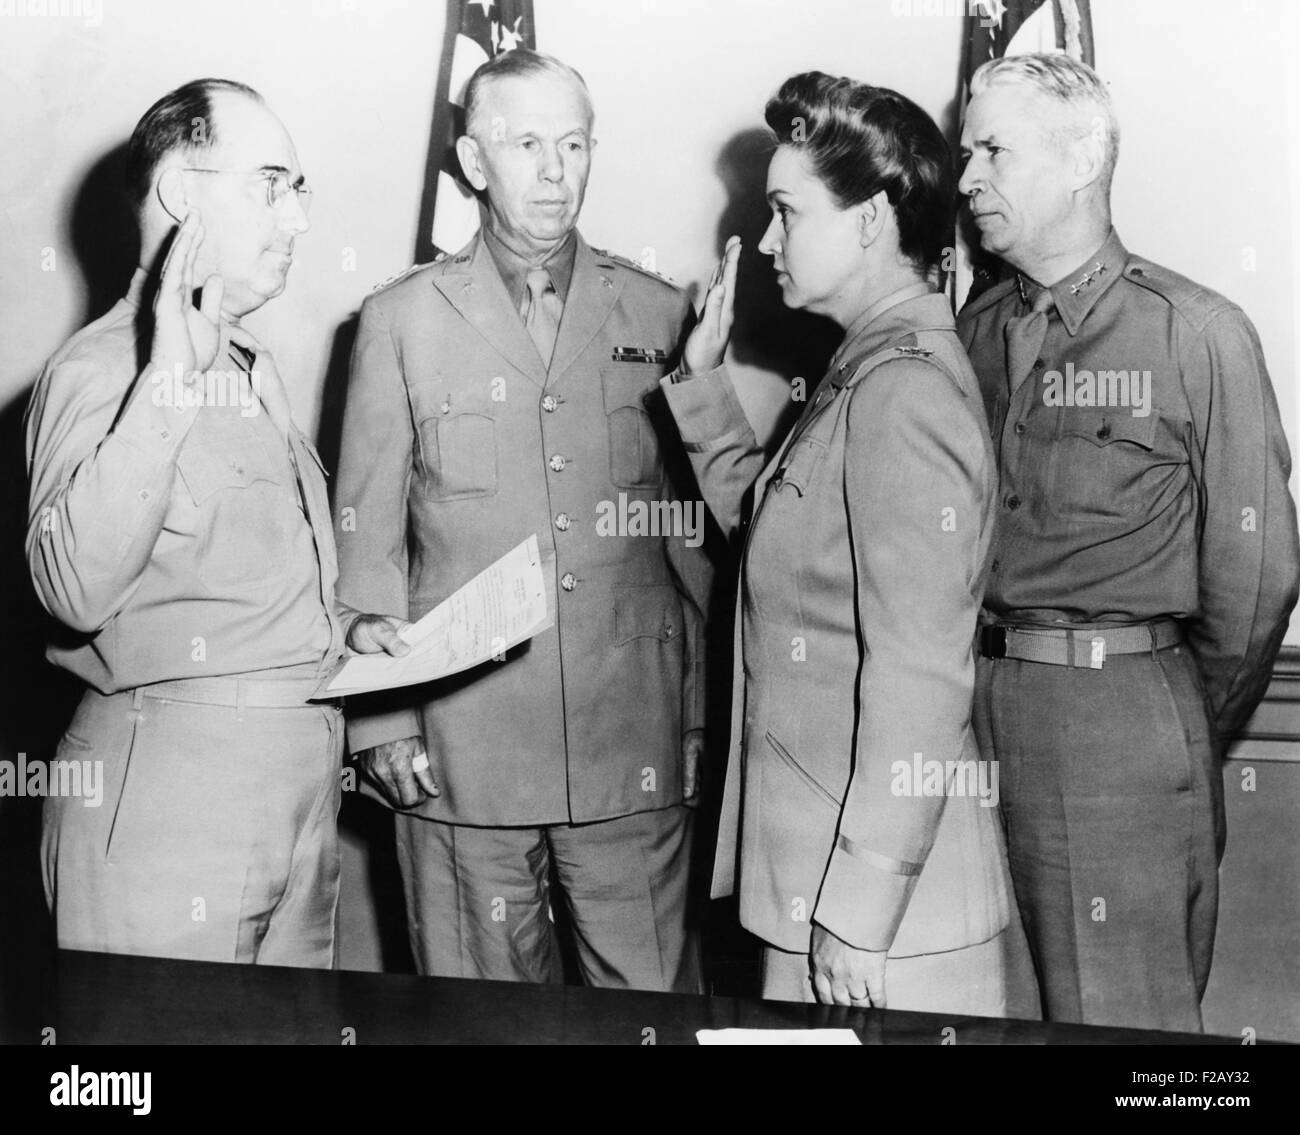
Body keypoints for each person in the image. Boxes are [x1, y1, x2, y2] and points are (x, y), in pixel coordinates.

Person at [334, 49, 712, 991]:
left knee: (653, 1008)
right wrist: (380, 720)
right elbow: (367, 538)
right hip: (464, 753)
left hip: (633, 740)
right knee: (480, 1017)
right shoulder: (400, 321)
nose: (555, 170)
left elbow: (690, 539)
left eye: (574, 143)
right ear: (471, 159)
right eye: (527, 143)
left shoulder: (662, 311)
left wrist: (700, 714)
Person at [663, 71, 1036, 1014]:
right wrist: (705, 391)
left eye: (787, 213)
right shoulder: (866, 364)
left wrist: (859, 910)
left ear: (870, 220)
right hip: (827, 887)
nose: (768, 242)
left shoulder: (901, 388)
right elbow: (785, 535)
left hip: (878, 920)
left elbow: (920, 675)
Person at [26, 79, 408, 967]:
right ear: (180, 194)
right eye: (270, 184)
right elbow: (73, 588)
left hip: (301, 803)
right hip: (171, 809)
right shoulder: (100, 370)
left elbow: (231, 588)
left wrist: (353, 629)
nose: (299, 218)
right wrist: (168, 380)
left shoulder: (254, 368)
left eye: (300, 188)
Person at [957, 52, 1299, 1031]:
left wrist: (1166, 720)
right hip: (967, 717)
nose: (968, 176)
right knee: (989, 1013)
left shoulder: (1194, 333)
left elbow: (1257, 576)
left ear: (1078, 162)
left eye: (993, 150)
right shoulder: (975, 331)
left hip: (1114, 723)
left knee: (1118, 1027)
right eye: (966, 149)